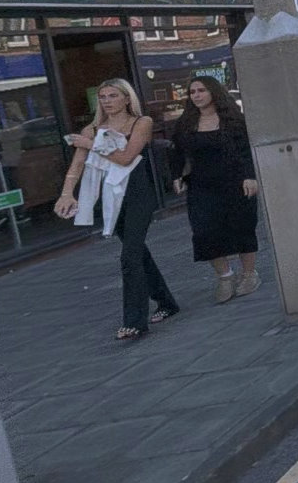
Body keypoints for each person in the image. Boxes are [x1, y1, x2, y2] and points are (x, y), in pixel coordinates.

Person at [54, 78, 180, 341]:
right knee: (137, 252)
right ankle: (166, 302)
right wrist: (67, 194)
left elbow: (125, 158)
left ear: (126, 98)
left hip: (138, 192)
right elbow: (77, 165)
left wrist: (92, 145)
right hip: (110, 195)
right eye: (102, 97)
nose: (107, 101)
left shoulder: (141, 123)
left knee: (129, 256)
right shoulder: (92, 128)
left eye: (113, 95)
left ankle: (134, 321)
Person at [169, 75, 261, 303]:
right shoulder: (186, 123)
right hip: (202, 184)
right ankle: (225, 276)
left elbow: (245, 150)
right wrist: (176, 175)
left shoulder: (233, 120)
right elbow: (175, 152)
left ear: (213, 92)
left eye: (201, 90)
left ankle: (249, 274)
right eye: (192, 92)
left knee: (242, 227)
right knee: (204, 231)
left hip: (235, 182)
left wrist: (250, 176)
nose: (197, 96)